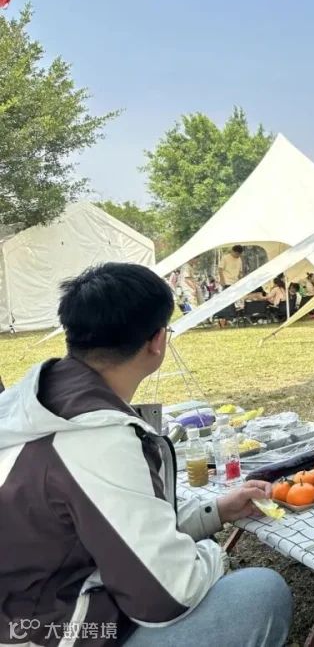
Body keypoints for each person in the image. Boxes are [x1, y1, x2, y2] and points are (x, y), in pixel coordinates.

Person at [0, 263, 292, 647]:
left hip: (26, 607)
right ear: (157, 341)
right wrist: (211, 555)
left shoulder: (33, 403)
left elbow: (113, 524)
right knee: (259, 593)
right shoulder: (97, 439)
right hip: (49, 632)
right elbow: (167, 595)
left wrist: (215, 511)